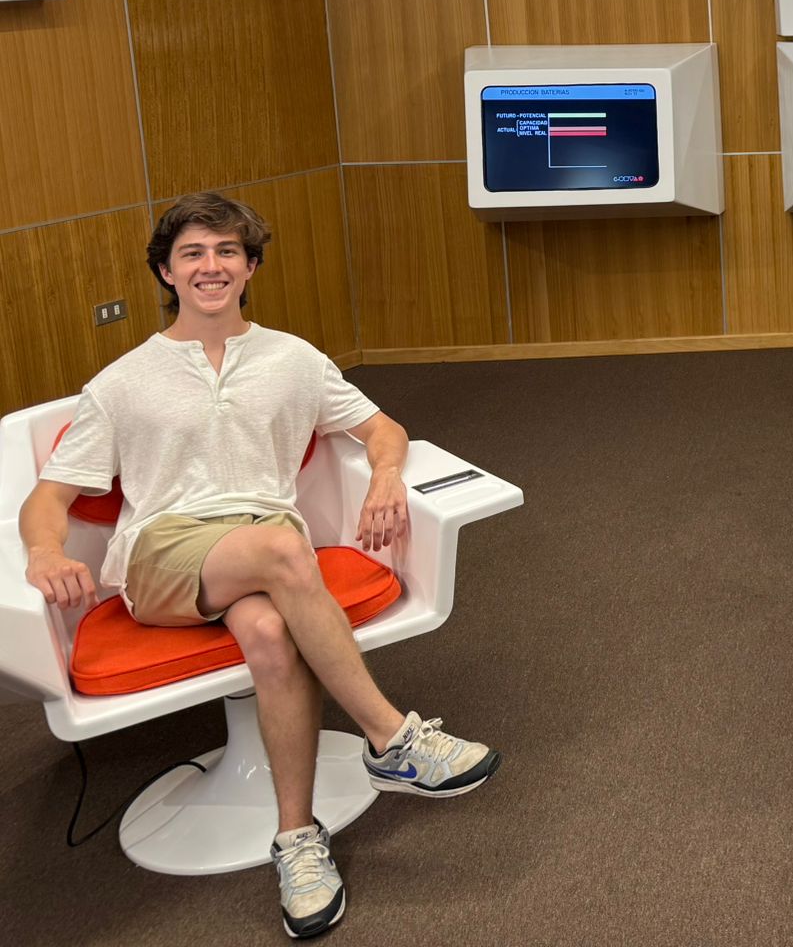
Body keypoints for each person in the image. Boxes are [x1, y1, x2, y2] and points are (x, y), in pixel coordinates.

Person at [21, 192, 499, 940]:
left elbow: (382, 428)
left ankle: (297, 841)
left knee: (272, 635)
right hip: (163, 554)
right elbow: (49, 498)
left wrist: (383, 478)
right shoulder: (121, 382)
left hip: (263, 546)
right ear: (166, 272)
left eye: (227, 252)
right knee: (285, 547)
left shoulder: (293, 358)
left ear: (248, 269)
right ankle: (393, 740)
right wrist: (46, 552)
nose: (211, 266)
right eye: (193, 254)